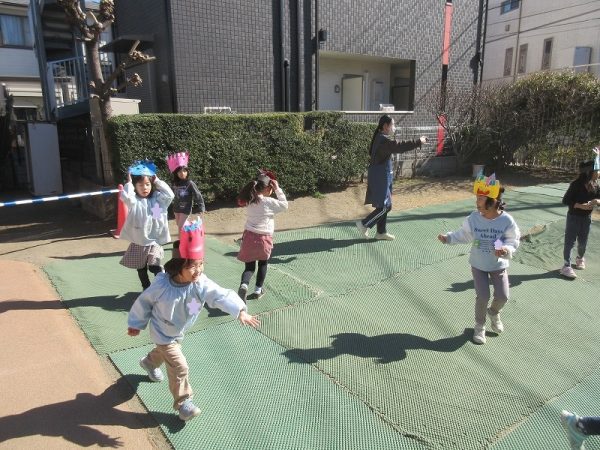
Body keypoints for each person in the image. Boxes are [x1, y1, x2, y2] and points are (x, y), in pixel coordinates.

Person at [127, 218, 260, 421]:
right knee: (179, 366)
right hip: (162, 332)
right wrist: (136, 323)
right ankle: (184, 404)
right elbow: (144, 302)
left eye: (201, 264)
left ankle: (148, 362)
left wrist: (240, 310)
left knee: (166, 353)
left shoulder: (199, 283)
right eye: (192, 266)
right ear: (178, 267)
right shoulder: (161, 285)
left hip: (179, 330)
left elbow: (220, 294)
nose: (198, 270)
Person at [437, 172, 520, 345]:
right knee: (482, 296)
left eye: (481, 199)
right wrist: (449, 238)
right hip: (478, 264)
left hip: (498, 265)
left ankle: (494, 312)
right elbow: (464, 234)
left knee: (503, 296)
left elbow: (513, 240)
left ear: (494, 201)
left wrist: (506, 249)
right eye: (477, 198)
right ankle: (479, 325)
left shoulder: (506, 220)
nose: (477, 202)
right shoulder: (474, 218)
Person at [356, 114, 428, 241]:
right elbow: (400, 146)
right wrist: (418, 141)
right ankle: (364, 224)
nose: (394, 127)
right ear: (385, 126)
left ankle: (381, 232)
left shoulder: (380, 138)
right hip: (380, 177)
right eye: (392, 125)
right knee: (385, 207)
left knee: (385, 205)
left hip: (382, 176)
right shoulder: (383, 140)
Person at [119, 160, 174, 290]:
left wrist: (157, 180)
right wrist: (129, 182)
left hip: (155, 240)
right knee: (141, 268)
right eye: (140, 185)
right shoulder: (134, 201)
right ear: (135, 186)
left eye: (147, 184)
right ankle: (146, 288)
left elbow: (170, 194)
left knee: (154, 266)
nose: (145, 188)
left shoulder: (158, 199)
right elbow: (126, 196)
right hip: (139, 241)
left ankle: (161, 286)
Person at [236, 169, 288, 302]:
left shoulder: (250, 200)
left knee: (249, 267)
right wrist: (278, 189)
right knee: (263, 264)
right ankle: (258, 290)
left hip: (249, 237)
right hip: (264, 238)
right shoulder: (269, 202)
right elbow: (285, 205)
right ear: (267, 189)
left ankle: (243, 285)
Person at [559, 147, 600, 279]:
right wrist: (580, 206)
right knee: (570, 241)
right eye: (597, 171)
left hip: (586, 219)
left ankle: (580, 258)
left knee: (583, 242)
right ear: (589, 172)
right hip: (574, 217)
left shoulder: (595, 185)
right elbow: (566, 200)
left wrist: (597, 201)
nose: (598, 173)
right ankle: (566, 266)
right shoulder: (576, 184)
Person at [166, 152, 206, 231]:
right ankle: (189, 232)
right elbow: (169, 194)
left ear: (187, 172)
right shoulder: (174, 183)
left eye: (184, 171)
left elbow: (198, 195)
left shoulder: (190, 183)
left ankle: (183, 238)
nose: (182, 173)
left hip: (186, 209)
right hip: (176, 209)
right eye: (180, 171)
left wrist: (202, 208)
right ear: (176, 173)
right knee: (180, 225)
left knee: (181, 227)